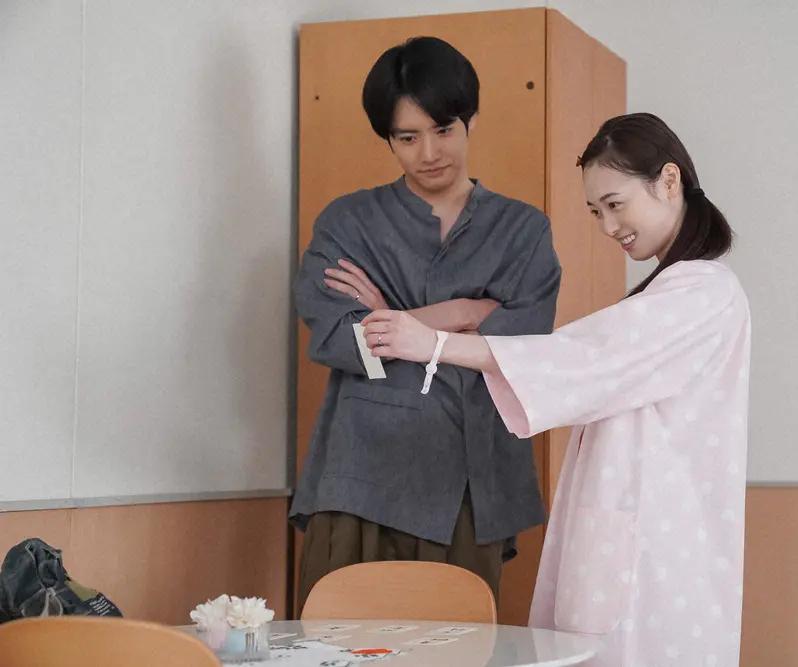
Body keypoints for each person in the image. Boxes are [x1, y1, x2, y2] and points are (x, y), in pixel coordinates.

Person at [362, 112, 750, 667]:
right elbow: (586, 361)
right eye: (596, 212)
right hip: (629, 536)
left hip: (656, 550)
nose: (608, 226)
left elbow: (583, 358)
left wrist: (438, 345)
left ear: (669, 181)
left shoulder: (705, 292)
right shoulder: (674, 293)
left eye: (614, 204)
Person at [291, 36, 561, 612]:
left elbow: (525, 345)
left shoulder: (522, 230)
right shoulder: (348, 222)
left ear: (470, 120)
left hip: (469, 477)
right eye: (408, 138)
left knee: (456, 642)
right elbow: (339, 338)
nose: (430, 152)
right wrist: (461, 313)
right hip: (359, 472)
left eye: (444, 130)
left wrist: (390, 317)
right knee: (335, 641)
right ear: (387, 139)